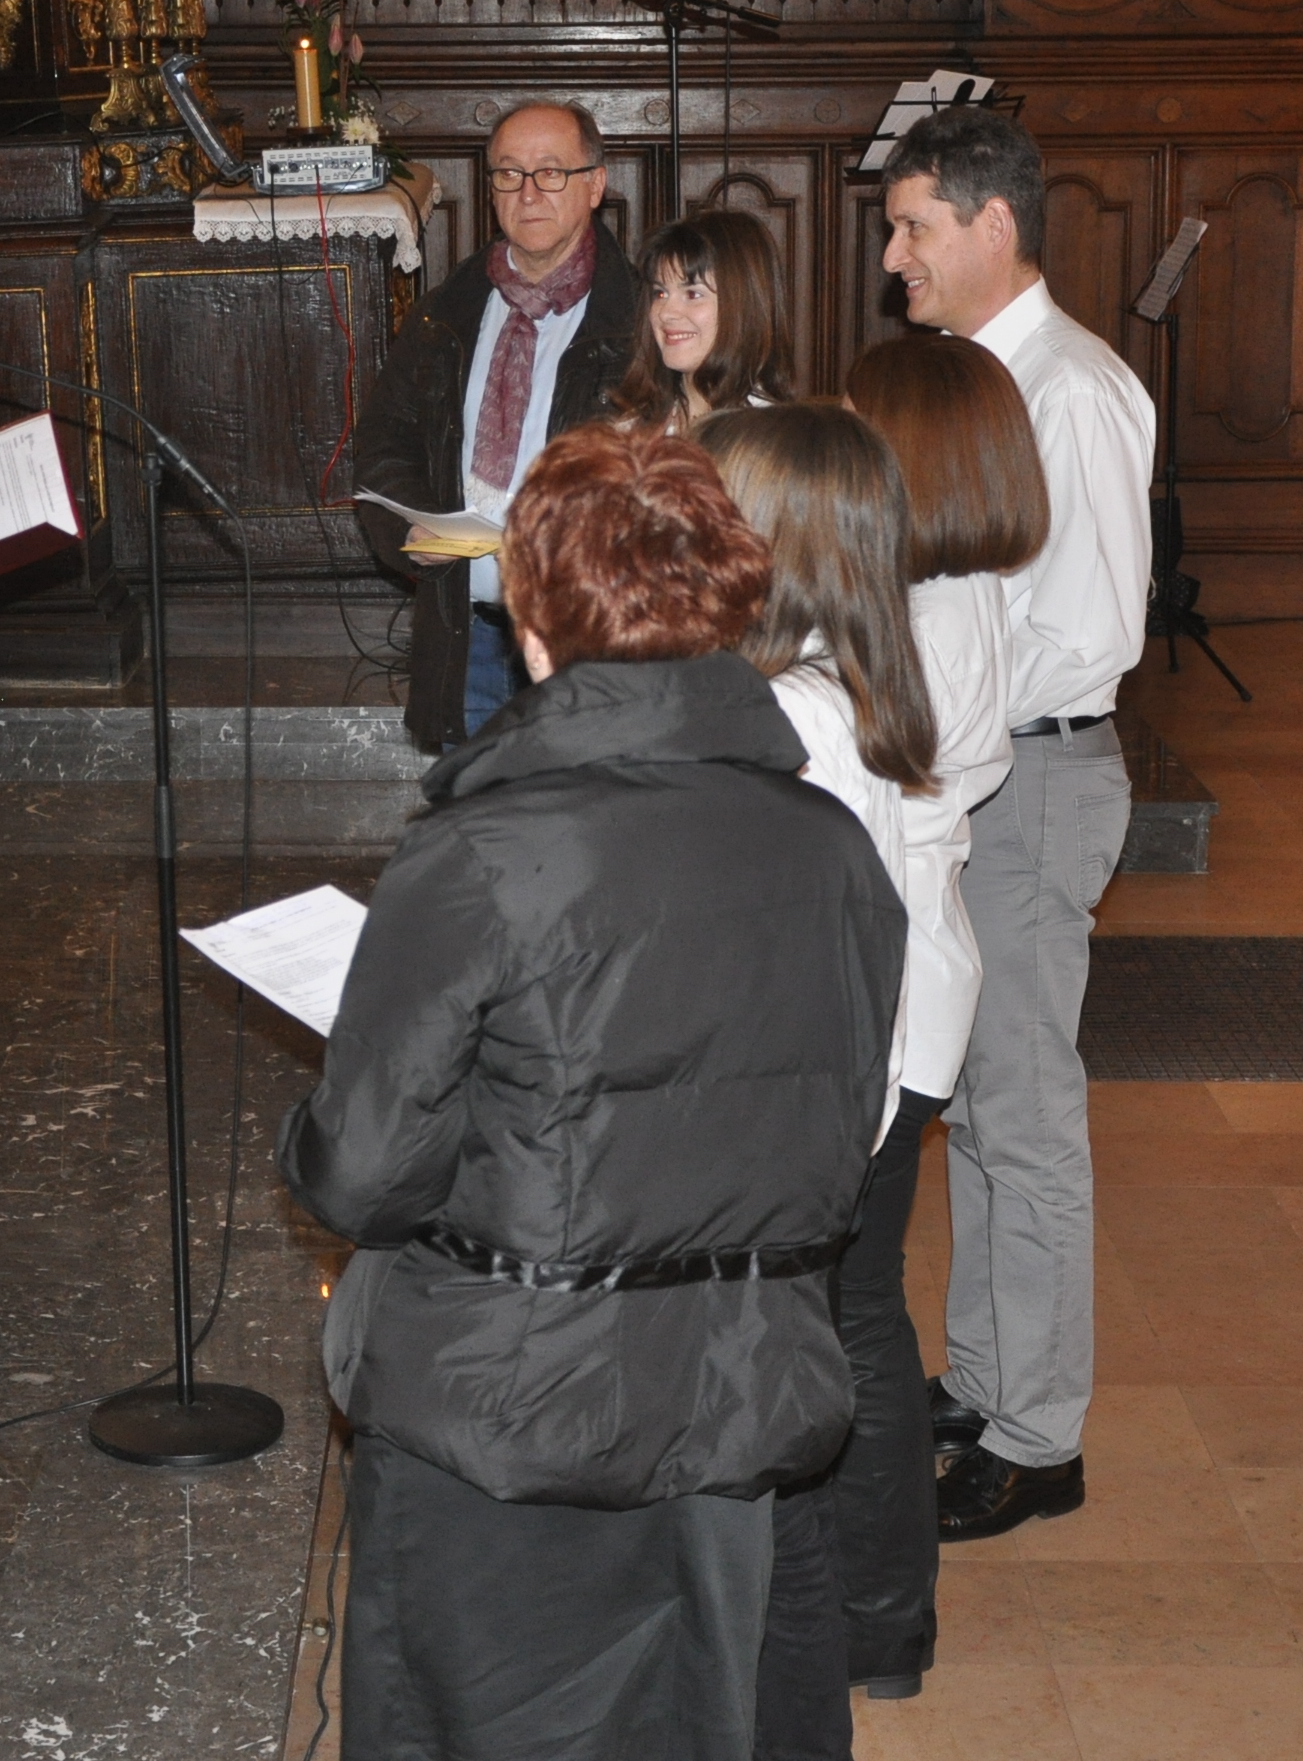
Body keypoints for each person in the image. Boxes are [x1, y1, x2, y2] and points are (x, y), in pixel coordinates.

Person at [281, 426, 906, 1761]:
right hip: (736, 1395)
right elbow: (841, 1138)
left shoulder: (481, 855)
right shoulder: (834, 851)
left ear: (534, 627)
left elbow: (362, 1177)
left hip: (507, 1414)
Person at [875, 108, 1154, 1544]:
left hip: (1033, 777)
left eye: (913, 227)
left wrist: (938, 716)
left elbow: (1091, 634)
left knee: (1026, 1114)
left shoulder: (1072, 390)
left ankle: (1040, 1438)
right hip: (984, 768)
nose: (894, 256)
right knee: (975, 1103)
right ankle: (986, 1381)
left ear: (995, 225)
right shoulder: (982, 378)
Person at [697, 403, 935, 1760]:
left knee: (771, 1483)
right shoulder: (839, 688)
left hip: (787, 1147)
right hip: (825, 1125)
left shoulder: (789, 723)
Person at [838, 329, 1045, 1663]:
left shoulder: (922, 614)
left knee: (853, 1314)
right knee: (853, 1305)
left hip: (887, 988)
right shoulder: (943, 590)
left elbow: (867, 796)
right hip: (909, 972)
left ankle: (877, 1615)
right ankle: (873, 1605)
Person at [352, 100, 646, 747]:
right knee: (475, 806)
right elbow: (384, 439)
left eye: (551, 172)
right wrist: (411, 525)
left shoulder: (639, 323)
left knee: (579, 807)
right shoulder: (447, 312)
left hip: (587, 639)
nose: (528, 193)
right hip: (468, 636)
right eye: (509, 174)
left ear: (595, 184)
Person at [613, 210, 794, 433]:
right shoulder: (631, 430)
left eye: (692, 294)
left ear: (743, 305)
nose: (666, 313)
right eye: (660, 293)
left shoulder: (768, 436)